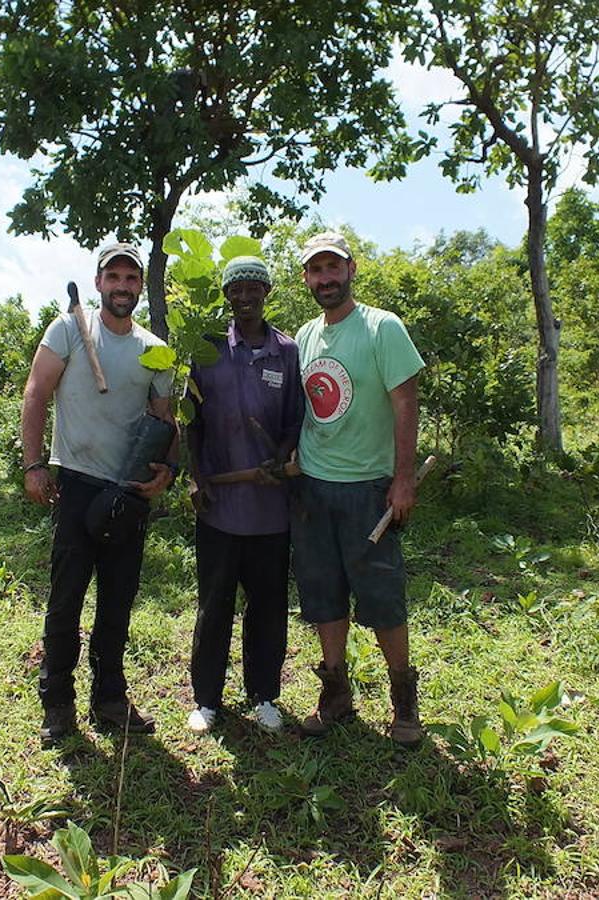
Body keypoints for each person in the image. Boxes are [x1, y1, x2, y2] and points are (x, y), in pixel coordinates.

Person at [19, 241, 177, 742]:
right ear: (98, 283)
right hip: (77, 485)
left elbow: (165, 421)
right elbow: (36, 393)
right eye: (115, 277)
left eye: (132, 279)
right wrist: (34, 464)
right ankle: (57, 703)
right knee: (66, 600)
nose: (124, 287)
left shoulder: (154, 350)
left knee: (118, 601)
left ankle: (109, 698)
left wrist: (165, 472)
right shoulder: (69, 329)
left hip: (128, 492)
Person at [292, 231, 426, 746]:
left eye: (333, 267)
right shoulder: (305, 337)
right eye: (316, 270)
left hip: (369, 489)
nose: (325, 278)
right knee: (324, 594)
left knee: (383, 597)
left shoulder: (381, 328)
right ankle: (337, 694)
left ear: (351, 270)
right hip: (313, 490)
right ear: (306, 278)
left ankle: (403, 700)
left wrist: (403, 478)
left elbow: (405, 404)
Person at [184, 256, 304, 734]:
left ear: (267, 292)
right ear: (227, 296)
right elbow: (190, 420)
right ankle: (206, 700)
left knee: (269, 606)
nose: (245, 297)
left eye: (254, 288)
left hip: (271, 509)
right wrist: (195, 477)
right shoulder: (208, 351)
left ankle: (264, 696)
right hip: (218, 504)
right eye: (236, 290)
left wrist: (282, 453)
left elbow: (296, 418)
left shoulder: (286, 351)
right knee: (214, 604)